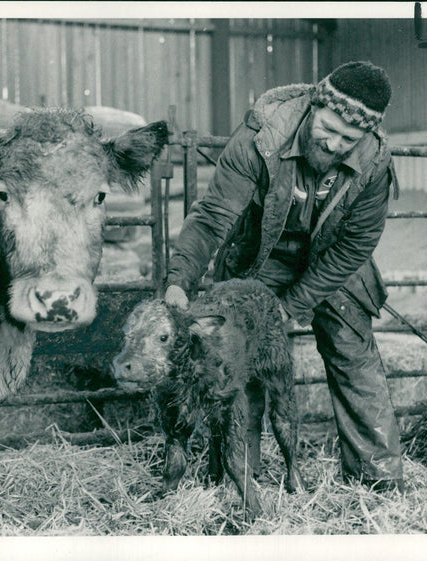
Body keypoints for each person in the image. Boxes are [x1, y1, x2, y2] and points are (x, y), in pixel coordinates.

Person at [165, 61, 405, 492]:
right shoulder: (263, 138)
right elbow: (213, 215)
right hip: (262, 252)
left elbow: (355, 246)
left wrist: (290, 306)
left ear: (366, 136)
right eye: (327, 129)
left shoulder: (374, 163)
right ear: (315, 105)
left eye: (347, 140)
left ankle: (378, 477)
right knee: (240, 348)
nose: (332, 144)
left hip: (332, 261)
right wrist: (179, 279)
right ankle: (242, 473)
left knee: (353, 350)